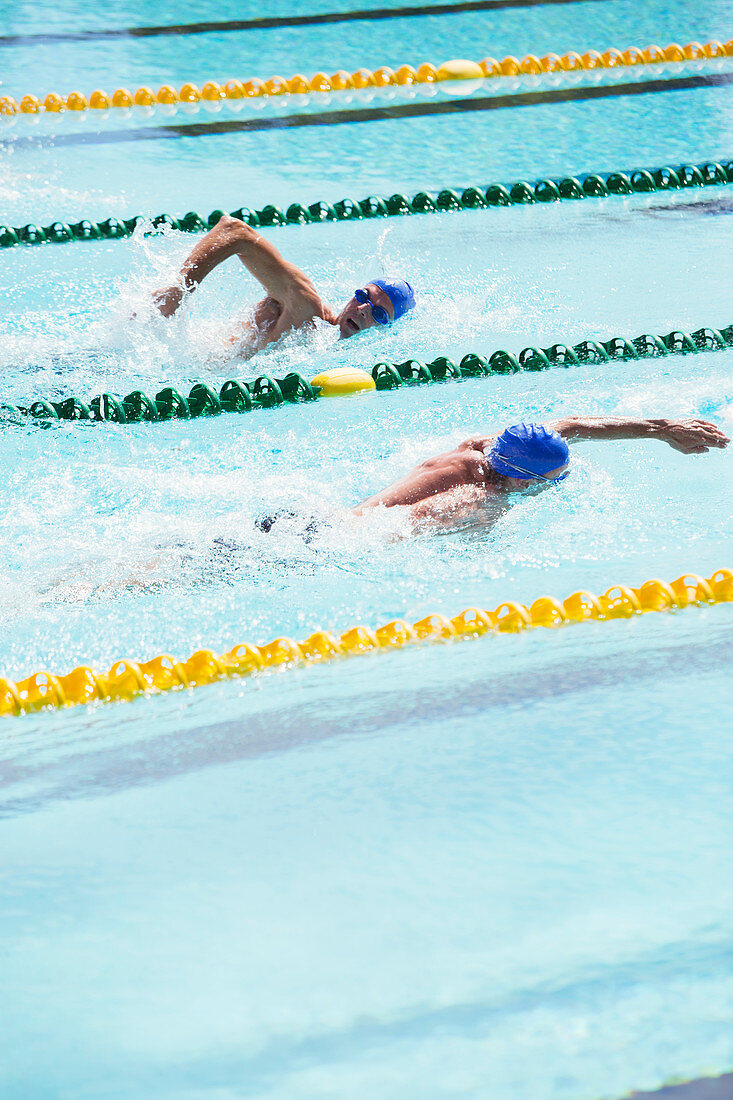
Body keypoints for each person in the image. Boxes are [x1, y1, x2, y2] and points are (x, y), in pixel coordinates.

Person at [352, 416, 730, 530]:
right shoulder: (478, 497)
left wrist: (661, 429)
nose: (562, 482)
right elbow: (391, 535)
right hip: (339, 536)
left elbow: (574, 425)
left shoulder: (489, 445)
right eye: (557, 479)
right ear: (520, 480)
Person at [151, 212, 415, 354]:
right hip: (163, 351)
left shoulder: (332, 350)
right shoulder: (306, 308)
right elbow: (234, 230)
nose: (362, 309)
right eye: (363, 296)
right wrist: (179, 290)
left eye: (379, 314)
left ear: (386, 331)